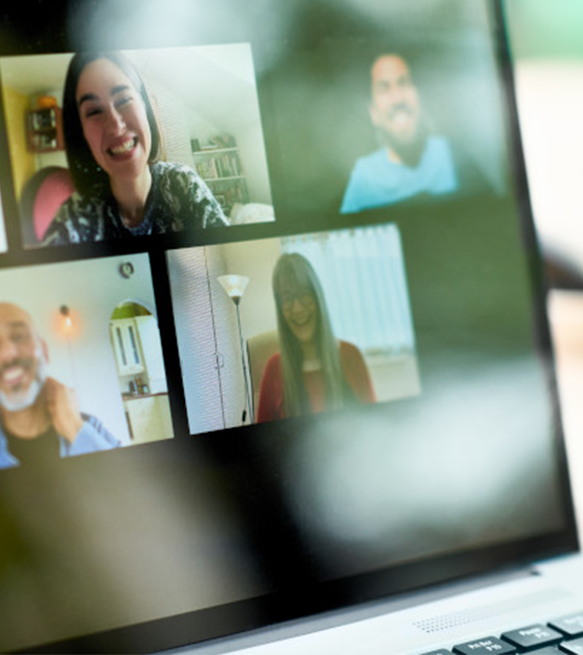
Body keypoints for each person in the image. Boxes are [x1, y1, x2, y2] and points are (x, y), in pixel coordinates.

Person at [41, 52, 228, 245]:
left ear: (145, 106)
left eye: (123, 100)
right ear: (82, 134)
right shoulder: (74, 217)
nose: (116, 126)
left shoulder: (184, 185)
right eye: (94, 111)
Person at [0, 302, 120, 483]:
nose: (7, 354)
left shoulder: (89, 428)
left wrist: (75, 429)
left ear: (44, 351)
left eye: (19, 336)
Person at [255, 254, 375, 422]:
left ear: (318, 298)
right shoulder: (274, 368)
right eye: (287, 299)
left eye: (304, 294)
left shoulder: (351, 355)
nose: (297, 309)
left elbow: (373, 425)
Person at [340, 53, 460, 214]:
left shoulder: (451, 153)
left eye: (403, 83)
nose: (397, 99)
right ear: (373, 113)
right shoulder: (364, 177)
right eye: (384, 89)